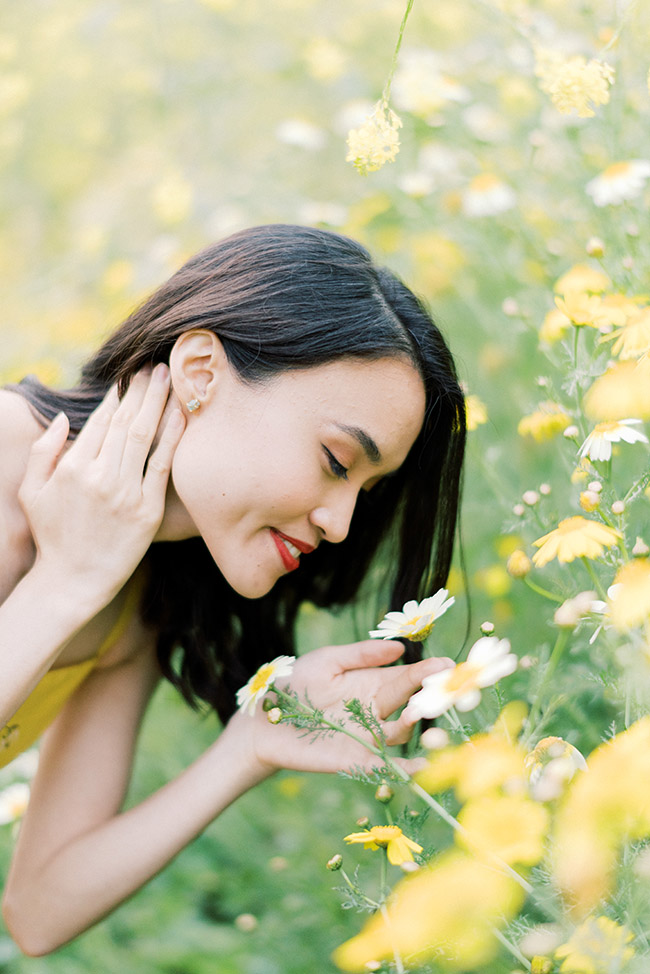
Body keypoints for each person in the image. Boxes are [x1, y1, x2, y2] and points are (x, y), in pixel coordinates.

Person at [0, 224, 465, 955]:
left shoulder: (137, 600)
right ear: (201, 371)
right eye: (336, 461)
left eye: (366, 494)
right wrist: (64, 581)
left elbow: (40, 909)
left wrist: (250, 746)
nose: (340, 525)